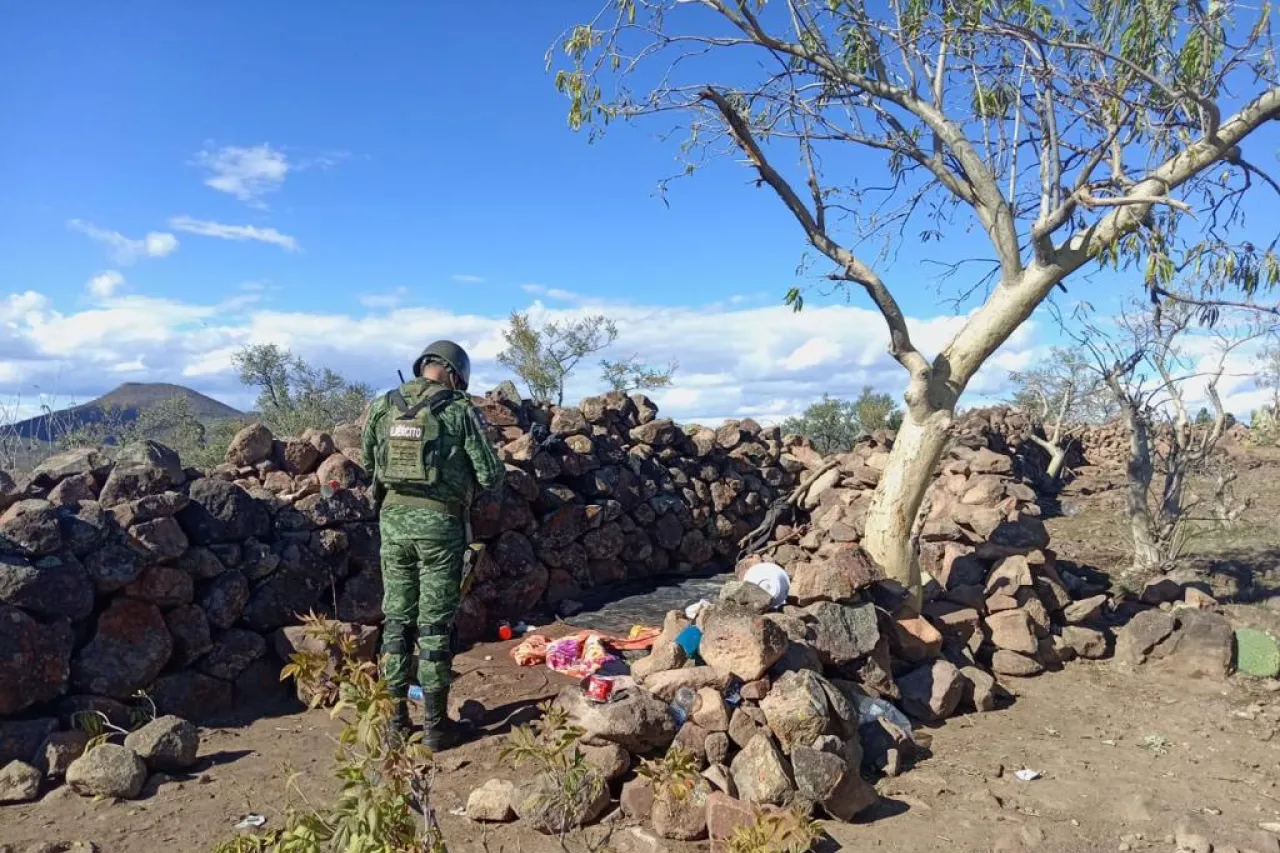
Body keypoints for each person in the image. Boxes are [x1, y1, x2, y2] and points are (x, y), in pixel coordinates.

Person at [361, 340, 504, 749]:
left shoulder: (383, 405)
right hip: (441, 528)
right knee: (435, 627)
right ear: (455, 373)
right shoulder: (458, 410)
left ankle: (394, 724)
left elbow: (370, 464)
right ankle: (436, 726)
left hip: (392, 524)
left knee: (396, 623)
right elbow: (491, 474)